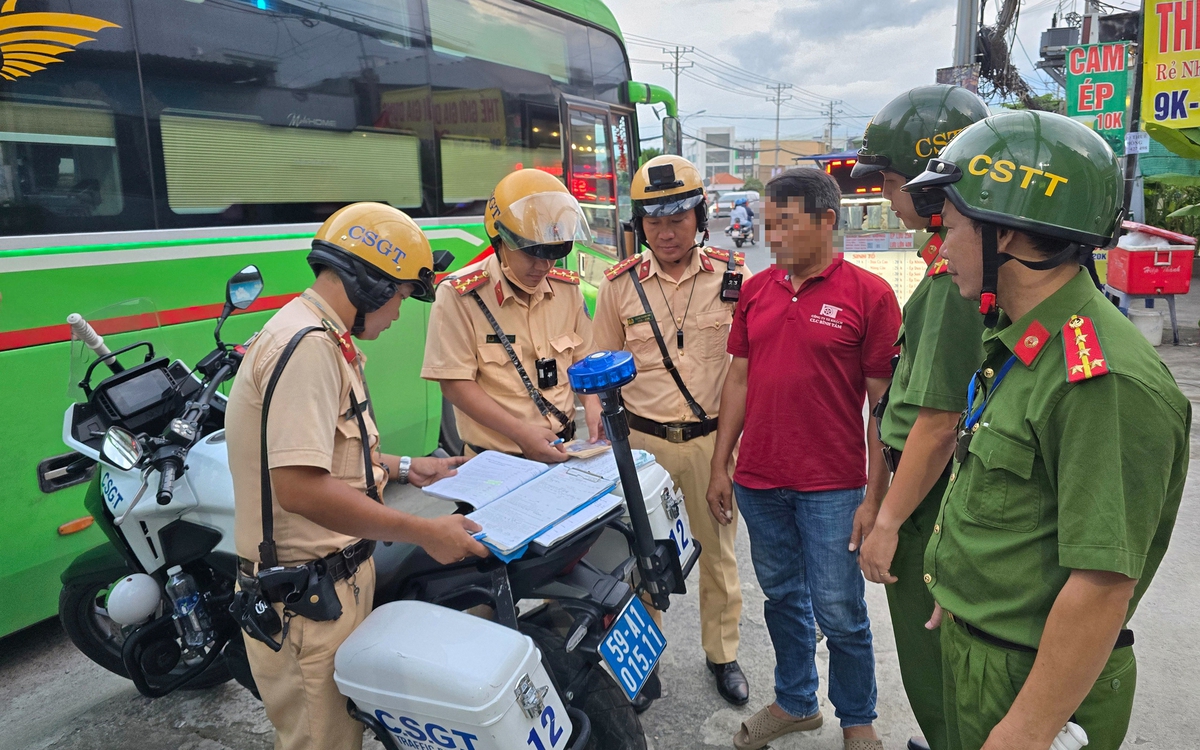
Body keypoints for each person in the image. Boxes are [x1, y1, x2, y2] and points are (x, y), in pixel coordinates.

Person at [903, 109, 1189, 750]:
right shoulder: (1023, 343)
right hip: (986, 653)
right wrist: (967, 596)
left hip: (1033, 685)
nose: (941, 250)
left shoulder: (1101, 379)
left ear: (1005, 234)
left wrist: (1027, 731)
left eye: (951, 229)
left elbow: (1102, 582)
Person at [226, 202, 489, 750]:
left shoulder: (321, 335)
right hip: (307, 602)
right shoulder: (306, 348)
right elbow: (298, 488)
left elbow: (332, 457)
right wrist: (424, 530)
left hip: (334, 585)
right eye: (398, 296)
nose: (397, 314)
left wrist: (411, 468)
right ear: (368, 283)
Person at [707, 168, 901, 750]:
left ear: (826, 221)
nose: (775, 236)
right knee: (783, 600)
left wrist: (875, 497)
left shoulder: (869, 295)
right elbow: (738, 379)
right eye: (769, 225)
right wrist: (722, 465)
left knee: (840, 610)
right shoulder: (757, 292)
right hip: (760, 482)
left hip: (833, 487)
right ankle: (795, 703)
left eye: (786, 222)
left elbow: (882, 408)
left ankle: (857, 719)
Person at [849, 84, 990, 750]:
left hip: (926, 500)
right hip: (911, 486)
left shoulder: (950, 283)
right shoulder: (945, 266)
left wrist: (888, 522)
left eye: (891, 178)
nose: (881, 192)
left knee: (938, 669)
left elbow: (935, 424)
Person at [593, 154, 751, 706]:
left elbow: (745, 373)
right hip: (641, 445)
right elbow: (599, 368)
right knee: (640, 558)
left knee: (719, 555)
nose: (665, 231)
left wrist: (729, 460)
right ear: (639, 225)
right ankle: (644, 662)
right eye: (653, 221)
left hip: (711, 444)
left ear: (699, 217)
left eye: (678, 218)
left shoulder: (734, 278)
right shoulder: (619, 288)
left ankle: (723, 655)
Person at [422, 169, 602, 462]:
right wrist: (521, 434)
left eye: (552, 254)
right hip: (496, 461)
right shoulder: (460, 295)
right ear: (500, 241)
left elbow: (583, 360)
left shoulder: (567, 290)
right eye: (531, 254)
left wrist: (594, 407)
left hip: (562, 452)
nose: (543, 267)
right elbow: (454, 383)